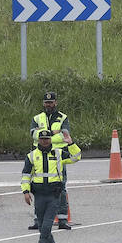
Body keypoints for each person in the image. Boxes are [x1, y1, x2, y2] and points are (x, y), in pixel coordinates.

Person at [21, 129, 77, 243]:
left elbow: (76, 157)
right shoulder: (32, 156)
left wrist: (71, 144)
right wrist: (25, 192)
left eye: (47, 139)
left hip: (53, 195)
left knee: (47, 225)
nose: (45, 141)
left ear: (50, 140)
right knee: (41, 225)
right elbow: (26, 175)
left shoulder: (58, 153)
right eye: (42, 139)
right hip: (39, 195)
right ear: (38, 140)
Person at [28, 90, 78, 231]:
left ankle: (62, 220)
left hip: (58, 156)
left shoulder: (63, 118)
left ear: (55, 102)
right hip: (39, 155)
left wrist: (44, 134)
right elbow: (33, 134)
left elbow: (65, 135)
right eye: (46, 102)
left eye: (50, 102)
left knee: (60, 188)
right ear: (43, 103)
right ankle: (38, 220)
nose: (48, 105)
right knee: (38, 188)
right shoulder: (37, 118)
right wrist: (53, 133)